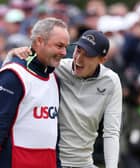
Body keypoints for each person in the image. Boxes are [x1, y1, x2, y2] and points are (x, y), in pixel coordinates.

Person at [5, 29, 123, 168]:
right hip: (53, 161)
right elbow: (13, 76)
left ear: (102, 60)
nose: (78, 59)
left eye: (88, 55)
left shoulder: (111, 81)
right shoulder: (57, 68)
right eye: (78, 50)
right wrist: (10, 56)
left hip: (85, 162)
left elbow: (111, 132)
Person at [0, 17, 69, 168]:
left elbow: (53, 135)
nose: (64, 52)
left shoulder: (54, 78)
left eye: (65, 47)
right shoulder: (13, 74)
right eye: (59, 45)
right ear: (39, 41)